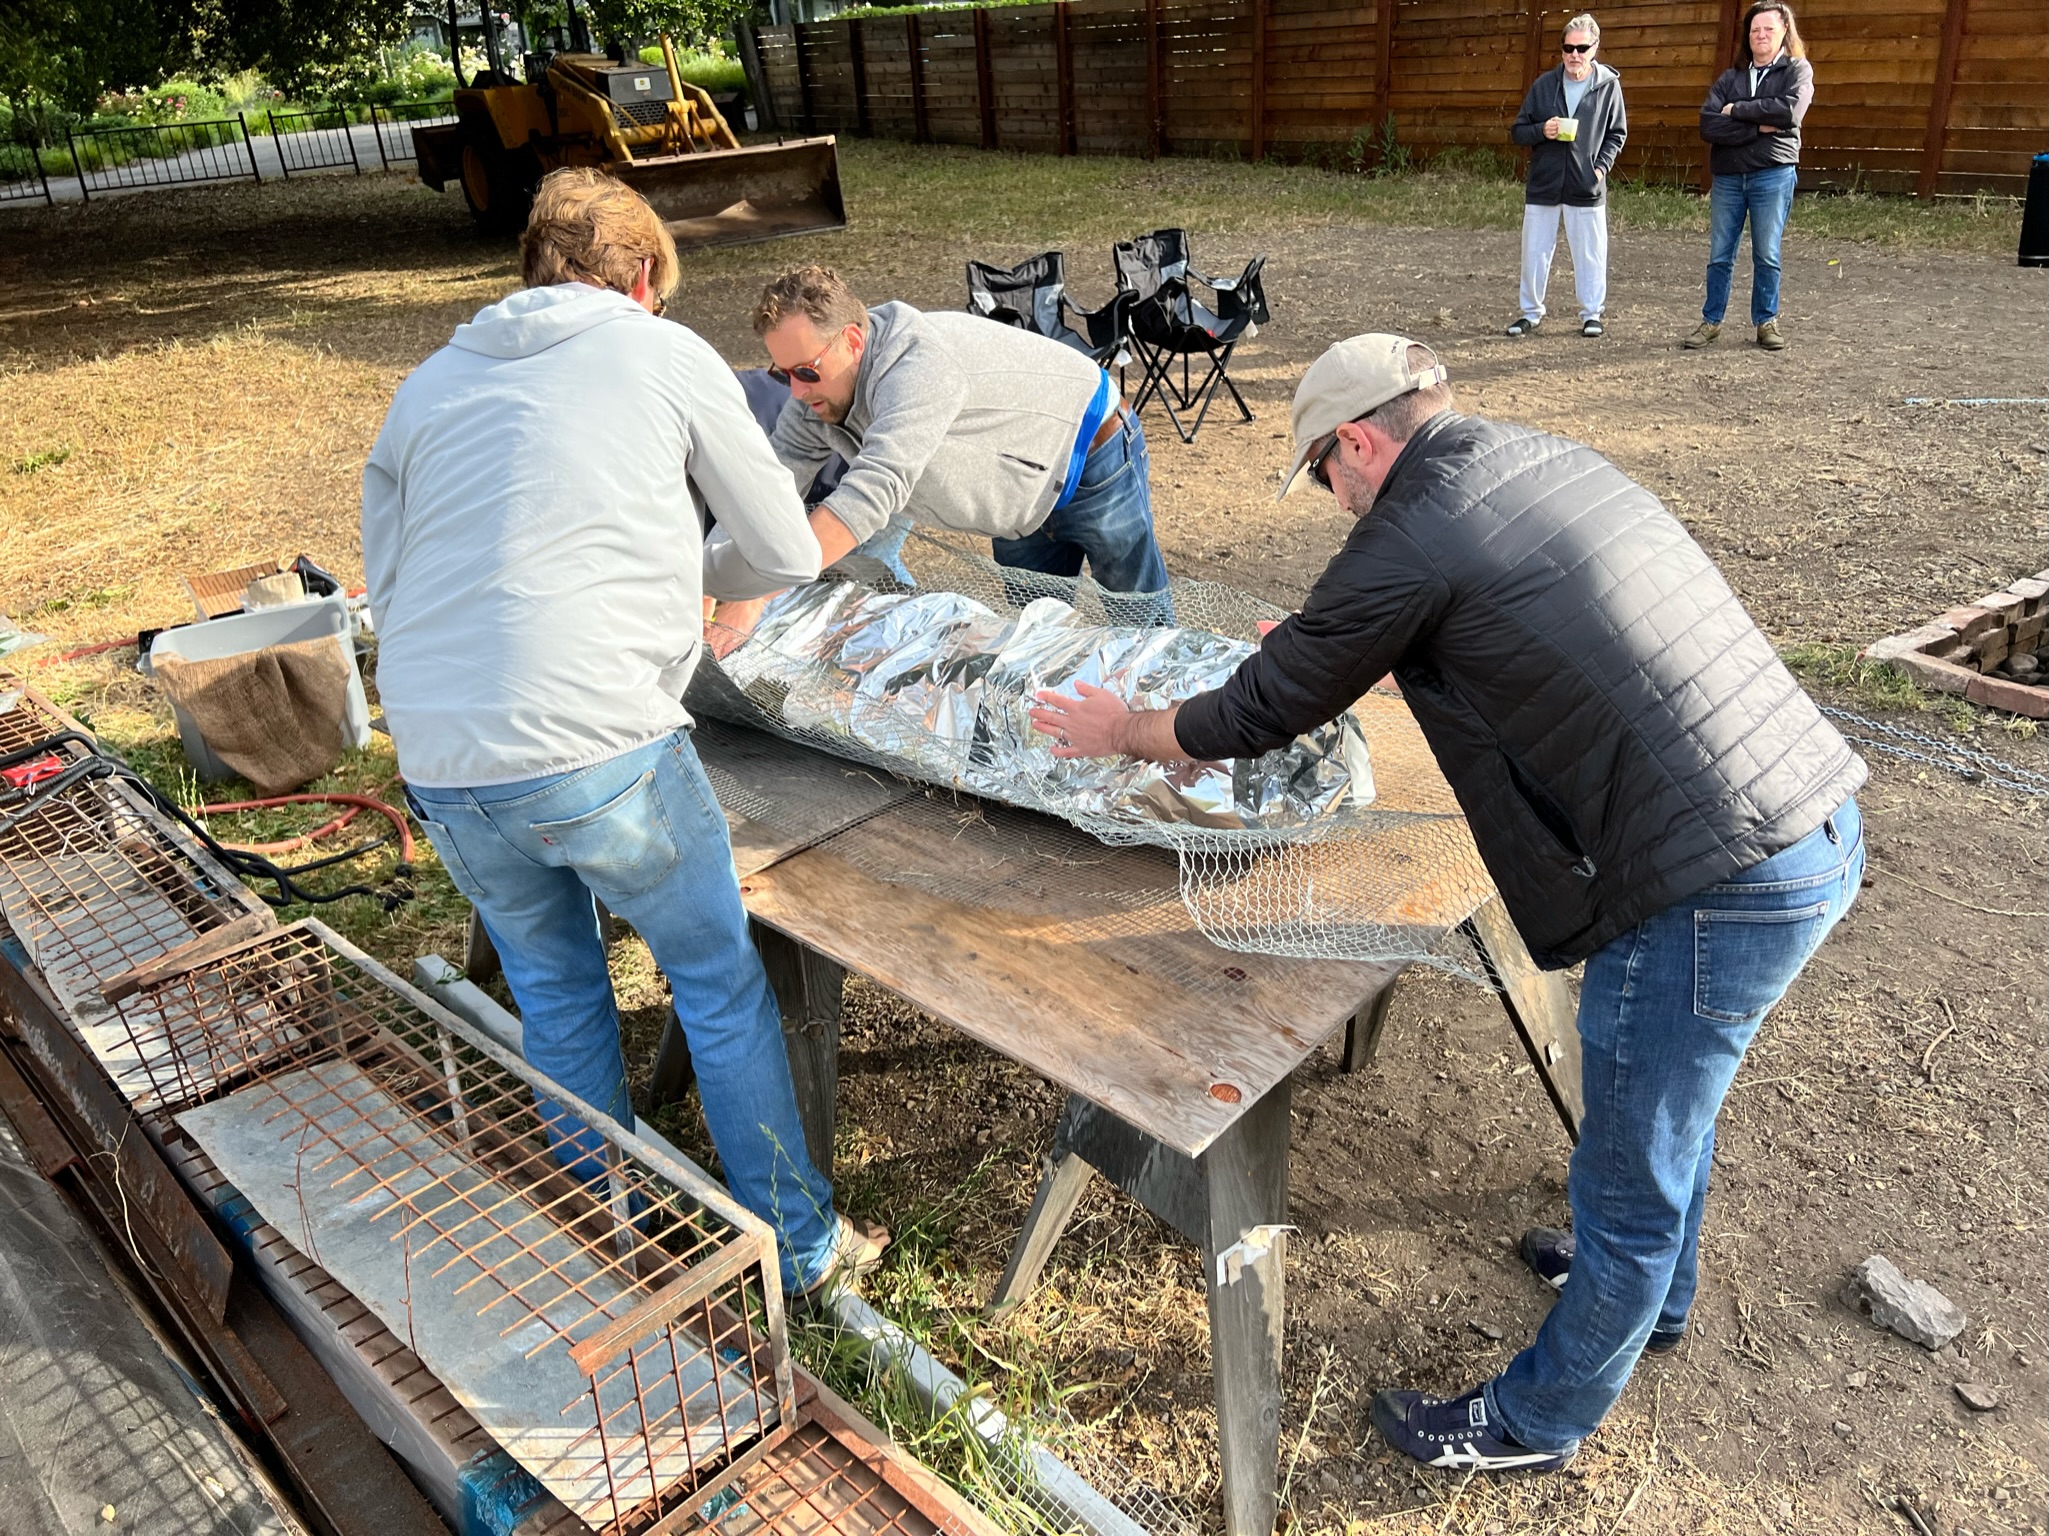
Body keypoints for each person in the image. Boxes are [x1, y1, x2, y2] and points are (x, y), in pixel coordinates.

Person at [1027, 333, 1865, 1471]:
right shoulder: (1526, 460)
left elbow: (1265, 704)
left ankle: (1537, 1422)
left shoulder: (1412, 528)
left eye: (1325, 476)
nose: (1333, 503)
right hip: (1799, 809)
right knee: (1664, 1108)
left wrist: (1122, 731)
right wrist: (1360, 646)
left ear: (1359, 442)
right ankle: (1653, 1302)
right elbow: (1510, 623)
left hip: (1716, 878)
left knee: (1630, 1164)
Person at [361, 167, 881, 1302]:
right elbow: (786, 550)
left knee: (555, 991)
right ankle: (796, 1249)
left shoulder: (428, 387)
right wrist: (678, 582)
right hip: (600, 748)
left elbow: (388, 588)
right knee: (713, 978)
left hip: (443, 759)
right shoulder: (663, 351)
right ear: (644, 276)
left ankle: (606, 1227)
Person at [719, 264, 1173, 642]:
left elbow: (874, 490)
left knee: (1140, 620)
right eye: (784, 373)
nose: (796, 391)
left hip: (1093, 454)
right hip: (1015, 496)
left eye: (807, 371)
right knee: (1040, 635)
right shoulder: (812, 401)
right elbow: (766, 491)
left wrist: (757, 591)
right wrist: (712, 587)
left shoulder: (917, 365)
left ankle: (1174, 735)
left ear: (853, 342)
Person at [1688, 1, 1814, 351]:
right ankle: (1711, 322)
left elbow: (1790, 112)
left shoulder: (1797, 71)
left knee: (1767, 253)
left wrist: (1738, 112)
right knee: (1719, 255)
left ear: (1784, 32)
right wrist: (1759, 127)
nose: (1760, 35)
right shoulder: (1730, 78)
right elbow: (1708, 123)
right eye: (1755, 29)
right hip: (1728, 178)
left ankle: (1766, 322)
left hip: (1772, 176)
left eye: (1768, 29)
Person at [1507, 14, 1627, 339]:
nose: (1575, 54)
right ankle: (1530, 314)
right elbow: (1518, 131)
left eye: (1582, 48)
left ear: (1595, 48)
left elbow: (1617, 134)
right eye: (1568, 48)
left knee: (1590, 252)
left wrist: (1599, 169)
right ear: (1561, 50)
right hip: (1544, 185)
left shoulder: (1608, 87)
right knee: (1534, 252)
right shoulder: (1544, 85)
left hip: (1586, 186)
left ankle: (1592, 315)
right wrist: (1541, 130)